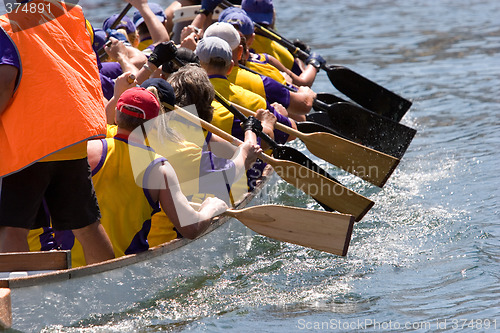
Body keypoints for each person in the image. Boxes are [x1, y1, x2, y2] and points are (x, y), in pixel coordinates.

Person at [0, 0, 114, 264]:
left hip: (27, 147)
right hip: (70, 139)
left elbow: (5, 82)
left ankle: (17, 297)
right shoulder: (75, 17)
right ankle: (110, 280)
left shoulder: (7, 26)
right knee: (86, 224)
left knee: (12, 228)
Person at [203, 22, 315, 121]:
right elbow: (303, 107)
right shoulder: (262, 83)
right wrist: (306, 93)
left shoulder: (190, 85)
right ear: (240, 51)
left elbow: (196, 139)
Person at [220, 7, 322, 87]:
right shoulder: (268, 59)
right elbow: (303, 83)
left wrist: (205, 12)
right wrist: (313, 63)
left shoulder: (211, 65)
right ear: (252, 37)